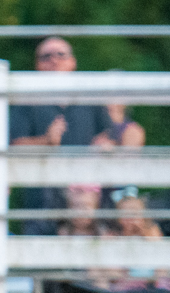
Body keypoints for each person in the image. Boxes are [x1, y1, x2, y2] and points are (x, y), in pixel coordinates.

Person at [8, 37, 116, 234]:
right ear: (37, 65)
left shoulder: (90, 96)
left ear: (72, 62)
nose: (54, 60)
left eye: (60, 54)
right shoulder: (25, 100)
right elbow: (13, 144)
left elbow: (109, 135)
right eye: (46, 56)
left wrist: (104, 144)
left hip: (86, 199)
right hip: (41, 200)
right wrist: (45, 142)